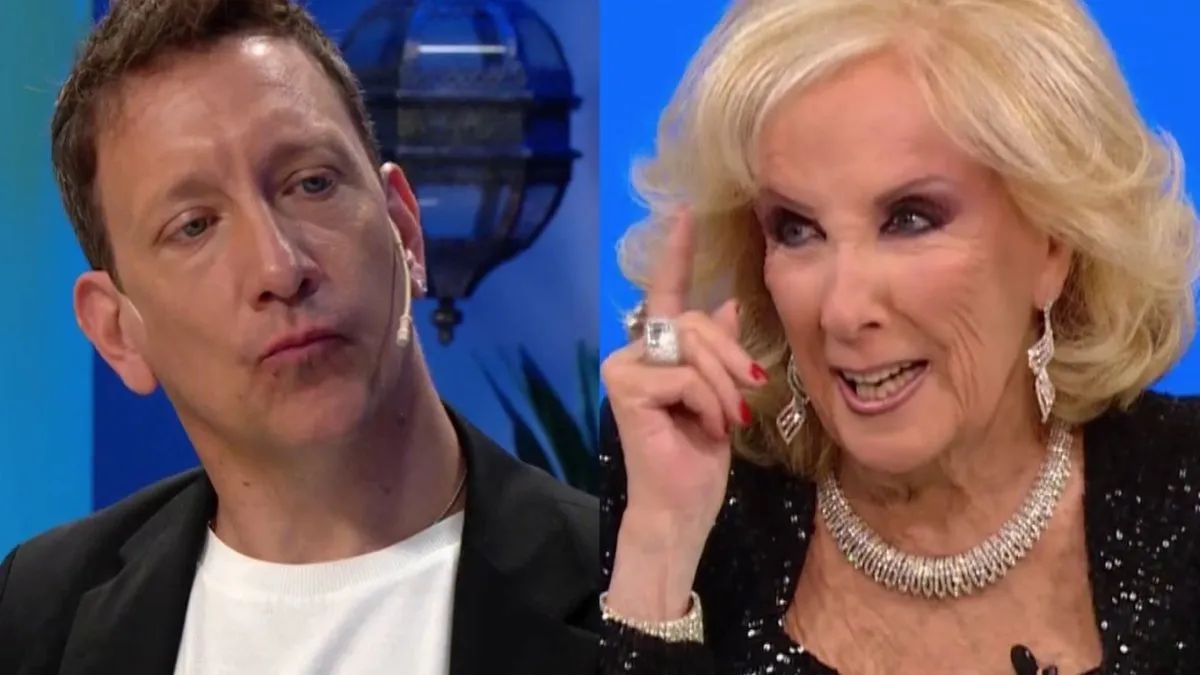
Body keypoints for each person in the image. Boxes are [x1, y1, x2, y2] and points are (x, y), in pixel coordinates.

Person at [599, 0, 1200, 672]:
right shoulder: (671, 489)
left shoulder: (1183, 486)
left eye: (910, 219)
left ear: (1054, 242)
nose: (842, 311)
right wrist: (659, 552)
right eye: (796, 229)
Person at [0, 1, 599, 674]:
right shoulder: (37, 615)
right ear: (119, 333)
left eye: (312, 184)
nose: (280, 269)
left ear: (405, 231)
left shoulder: (631, 590)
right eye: (195, 225)